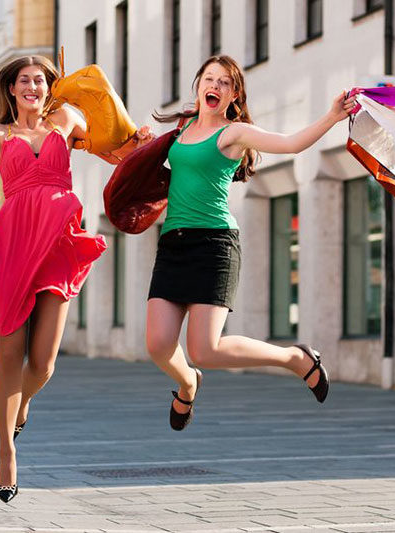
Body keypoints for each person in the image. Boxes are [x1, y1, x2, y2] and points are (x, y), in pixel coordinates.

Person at [0, 55, 150, 502]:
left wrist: (136, 144)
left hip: (59, 242)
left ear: (50, 88)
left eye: (40, 80)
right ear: (10, 89)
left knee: (44, 362)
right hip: (13, 242)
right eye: (24, 80)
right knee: (10, 352)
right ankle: (6, 452)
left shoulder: (66, 119)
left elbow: (114, 140)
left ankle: (23, 404)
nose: (32, 86)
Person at [145, 55, 356, 431]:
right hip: (173, 243)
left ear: (234, 94)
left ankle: (294, 358)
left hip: (214, 244)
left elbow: (290, 144)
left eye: (225, 82)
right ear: (198, 85)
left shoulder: (234, 133)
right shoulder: (182, 128)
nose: (215, 85)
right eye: (209, 79)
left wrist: (332, 116)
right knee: (158, 345)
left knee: (205, 350)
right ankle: (187, 383)